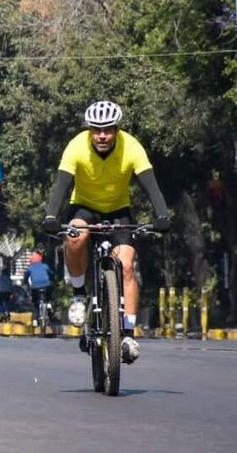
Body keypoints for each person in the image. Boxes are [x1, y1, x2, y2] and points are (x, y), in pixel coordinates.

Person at [42, 100, 171, 364]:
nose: (102, 135)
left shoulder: (132, 147)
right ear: (89, 130)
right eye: (97, 129)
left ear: (116, 130)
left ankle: (127, 333)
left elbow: (152, 186)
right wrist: (51, 216)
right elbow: (61, 186)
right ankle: (79, 295)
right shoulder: (76, 146)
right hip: (84, 208)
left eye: (108, 130)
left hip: (118, 211)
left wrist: (162, 215)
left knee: (126, 265)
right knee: (75, 235)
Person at [23, 251, 54, 326]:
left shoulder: (30, 268)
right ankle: (49, 304)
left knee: (35, 303)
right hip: (46, 285)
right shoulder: (45, 266)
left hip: (35, 287)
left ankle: (35, 320)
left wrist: (26, 283)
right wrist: (52, 279)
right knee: (49, 294)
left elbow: (25, 278)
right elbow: (51, 274)